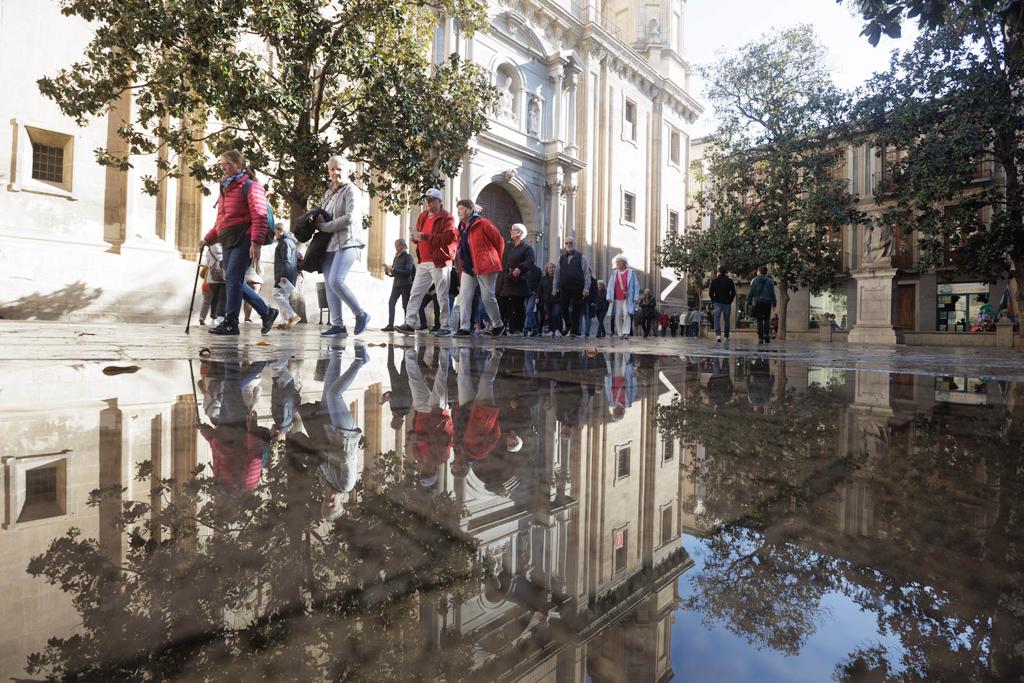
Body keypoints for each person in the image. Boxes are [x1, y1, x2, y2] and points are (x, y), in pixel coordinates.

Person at [199, 150, 278, 336]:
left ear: (239, 165)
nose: (223, 167)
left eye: (226, 163)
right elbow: (221, 222)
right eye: (221, 164)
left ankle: (231, 323)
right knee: (232, 279)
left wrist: (256, 242)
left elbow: (259, 216)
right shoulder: (225, 189)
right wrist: (208, 239)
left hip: (244, 238)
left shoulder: (251, 186)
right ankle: (267, 312)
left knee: (233, 278)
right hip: (228, 239)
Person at [317, 155, 370, 337]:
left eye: (339, 169)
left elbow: (350, 218)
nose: (335, 172)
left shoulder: (351, 191)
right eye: (332, 169)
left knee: (336, 280)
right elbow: (320, 213)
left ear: (348, 171)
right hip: (330, 243)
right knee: (329, 284)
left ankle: (361, 314)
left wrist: (324, 226)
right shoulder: (329, 193)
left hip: (349, 241)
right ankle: (338, 326)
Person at [396, 188, 457, 336]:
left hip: (440, 261)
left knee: (442, 295)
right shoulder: (423, 216)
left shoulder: (447, 218)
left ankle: (445, 326)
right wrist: (415, 238)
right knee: (415, 293)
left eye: (432, 200)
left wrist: (425, 236)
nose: (428, 202)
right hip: (423, 261)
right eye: (427, 200)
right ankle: (410, 323)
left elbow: (447, 239)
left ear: (439, 201)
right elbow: (419, 235)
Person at [454, 200, 505, 337]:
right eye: (457, 208)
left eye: (461, 208)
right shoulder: (461, 227)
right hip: (468, 267)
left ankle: (498, 325)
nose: (458, 211)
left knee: (488, 297)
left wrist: (493, 260)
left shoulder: (483, 223)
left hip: (486, 266)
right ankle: (464, 327)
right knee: (464, 296)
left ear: (470, 210)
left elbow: (499, 241)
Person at [499, 223, 536, 336]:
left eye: (514, 230)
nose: (511, 231)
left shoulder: (527, 248)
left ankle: (518, 330)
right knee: (505, 305)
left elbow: (530, 261)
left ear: (519, 233)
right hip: (507, 280)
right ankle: (504, 328)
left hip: (519, 282)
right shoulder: (508, 247)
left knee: (518, 306)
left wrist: (520, 268)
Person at [553, 236, 592, 338]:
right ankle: (568, 324)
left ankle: (574, 332)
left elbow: (586, 274)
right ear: (564, 245)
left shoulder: (581, 257)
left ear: (574, 244)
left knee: (576, 310)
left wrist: (586, 288)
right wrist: (554, 287)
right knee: (563, 307)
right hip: (564, 288)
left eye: (571, 242)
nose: (569, 244)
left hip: (577, 288)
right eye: (566, 243)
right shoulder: (560, 258)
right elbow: (557, 274)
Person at [382, 239, 414, 331]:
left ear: (403, 246)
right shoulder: (396, 258)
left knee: (405, 305)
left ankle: (407, 324)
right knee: (391, 303)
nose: (396, 248)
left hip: (406, 284)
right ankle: (390, 325)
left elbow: (408, 271)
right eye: (395, 246)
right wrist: (388, 272)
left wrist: (394, 270)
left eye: (398, 246)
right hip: (396, 284)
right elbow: (394, 272)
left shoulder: (408, 257)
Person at [272, 223, 301, 328]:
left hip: (285, 274)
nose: (274, 233)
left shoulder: (285, 242)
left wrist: (283, 275)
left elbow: (286, 260)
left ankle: (292, 316)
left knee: (276, 294)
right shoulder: (288, 241)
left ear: (280, 230)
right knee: (283, 297)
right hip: (288, 274)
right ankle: (285, 322)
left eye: (275, 230)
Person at [607, 256, 640, 340]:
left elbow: (636, 286)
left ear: (624, 263)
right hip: (616, 298)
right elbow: (610, 286)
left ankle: (626, 332)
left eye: (619, 261)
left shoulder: (631, 272)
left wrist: (636, 297)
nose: (617, 263)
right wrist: (608, 296)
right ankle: (620, 333)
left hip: (627, 298)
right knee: (617, 315)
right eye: (616, 262)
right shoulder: (614, 273)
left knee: (626, 314)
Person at [748, 265, 778, 344]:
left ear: (759, 271)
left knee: (759, 320)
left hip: (758, 302)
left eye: (757, 270)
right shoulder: (770, 281)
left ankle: (760, 337)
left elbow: (752, 292)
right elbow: (772, 293)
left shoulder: (755, 280)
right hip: (767, 302)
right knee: (767, 319)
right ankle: (766, 335)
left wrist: (749, 301)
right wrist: (774, 303)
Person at [709, 265, 736, 342]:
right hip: (727, 302)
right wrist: (730, 300)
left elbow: (711, 293)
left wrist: (714, 300)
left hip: (717, 302)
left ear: (719, 272)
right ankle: (726, 335)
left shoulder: (714, 281)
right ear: (726, 272)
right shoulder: (730, 281)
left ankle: (718, 335)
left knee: (716, 319)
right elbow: (733, 293)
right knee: (726, 319)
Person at [538, 262, 559, 336]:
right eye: (549, 268)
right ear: (547, 269)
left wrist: (558, 290)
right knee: (549, 316)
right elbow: (540, 289)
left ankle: (556, 330)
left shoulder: (557, 278)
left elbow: (562, 287)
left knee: (555, 314)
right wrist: (538, 298)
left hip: (556, 300)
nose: (551, 269)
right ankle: (551, 330)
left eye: (553, 267)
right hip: (546, 301)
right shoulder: (543, 278)